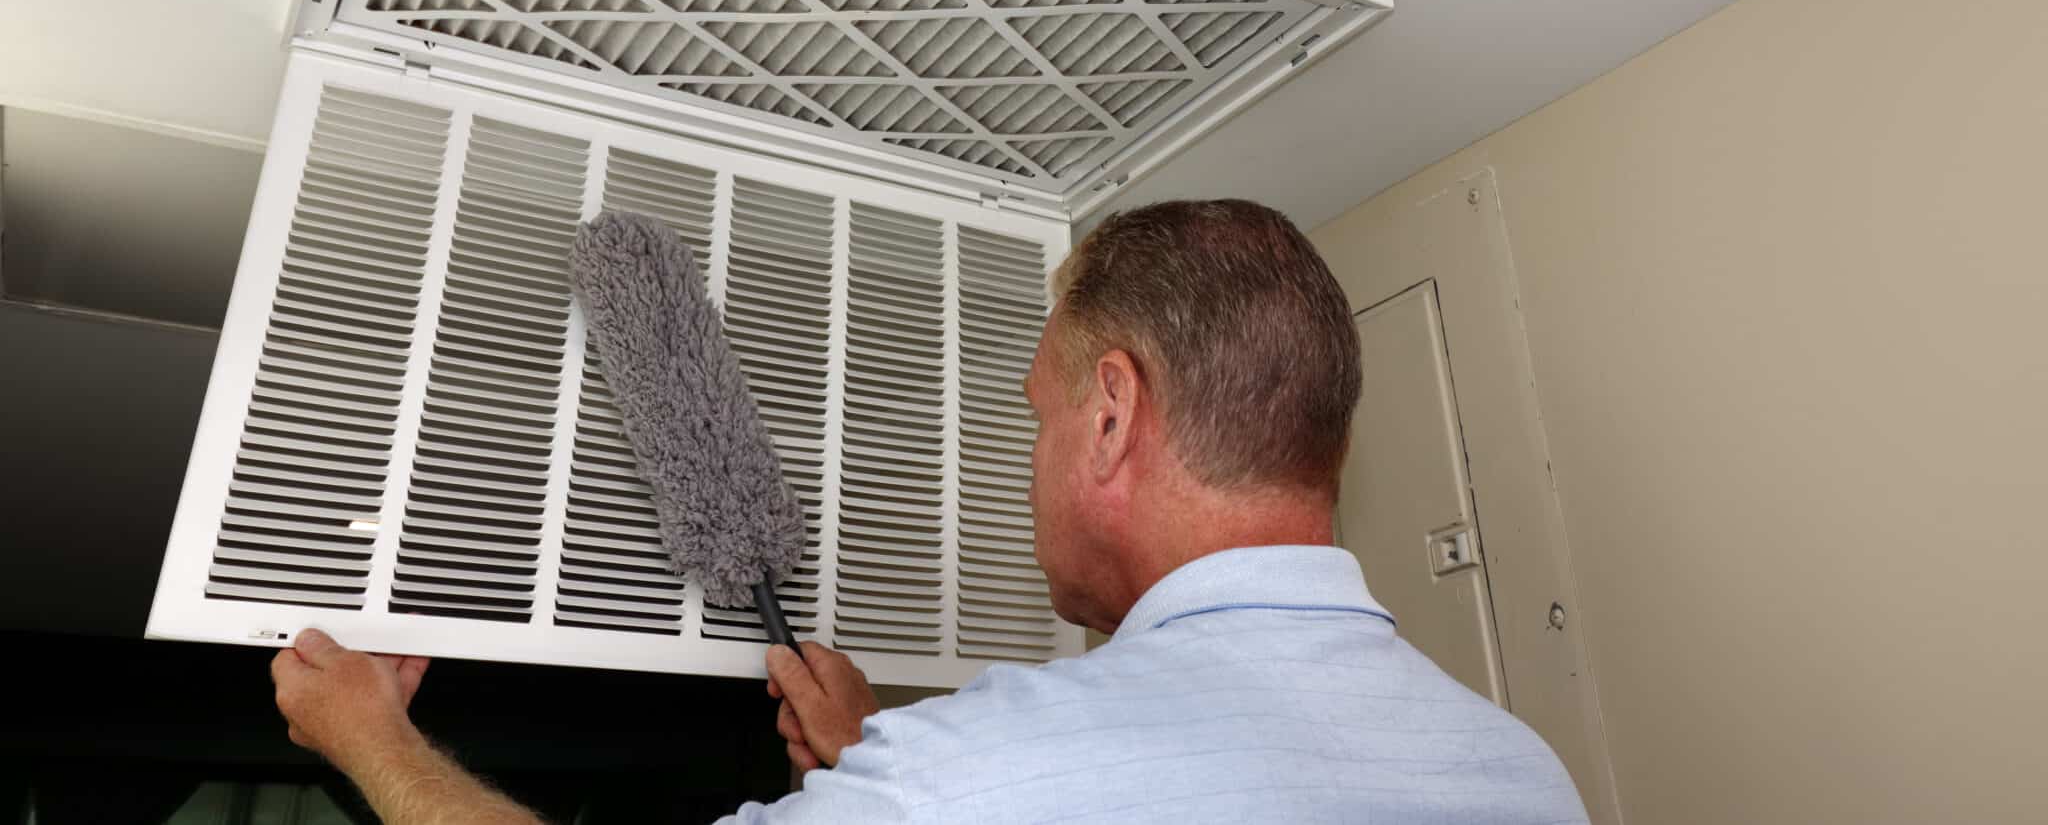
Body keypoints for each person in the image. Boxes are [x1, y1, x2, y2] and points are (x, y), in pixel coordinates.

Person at [272, 199, 1589, 823]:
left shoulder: (977, 779)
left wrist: (372, 737)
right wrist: (870, 761)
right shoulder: (1522, 776)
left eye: (1039, 408)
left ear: (1115, 411)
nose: (1034, 451)